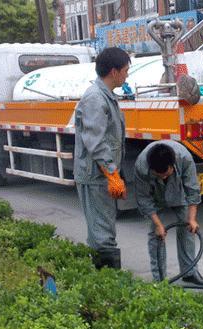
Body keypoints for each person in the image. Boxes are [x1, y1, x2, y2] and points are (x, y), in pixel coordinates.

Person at [74, 47, 130, 269]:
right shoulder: (95, 99)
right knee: (102, 232)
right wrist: (112, 174)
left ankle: (102, 281)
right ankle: (108, 284)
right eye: (125, 70)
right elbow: (96, 142)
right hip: (95, 175)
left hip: (100, 175)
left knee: (101, 229)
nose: (127, 75)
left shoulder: (106, 96)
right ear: (114, 72)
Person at [134, 140, 203, 285]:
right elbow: (144, 199)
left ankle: (190, 272)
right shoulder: (141, 166)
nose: (163, 177)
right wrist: (158, 224)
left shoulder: (184, 158)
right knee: (157, 235)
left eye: (165, 174)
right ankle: (160, 278)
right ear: (151, 169)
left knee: (188, 228)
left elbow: (192, 190)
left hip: (176, 189)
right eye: (159, 175)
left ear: (172, 165)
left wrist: (192, 219)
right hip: (155, 193)